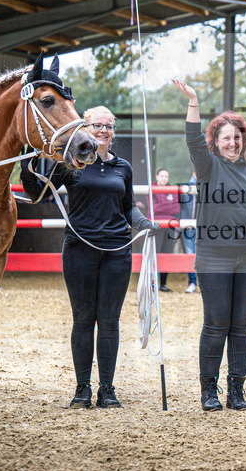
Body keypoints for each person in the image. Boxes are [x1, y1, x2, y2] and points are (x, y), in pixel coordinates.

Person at [20, 105, 159, 410]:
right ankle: (82, 388)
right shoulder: (70, 163)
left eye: (109, 126)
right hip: (79, 250)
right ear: (85, 128)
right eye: (97, 125)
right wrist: (27, 162)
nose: (103, 131)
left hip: (117, 252)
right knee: (83, 319)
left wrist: (144, 223)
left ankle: (107, 389)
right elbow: (38, 194)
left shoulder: (123, 167)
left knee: (109, 321)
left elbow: (128, 207)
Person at [172, 79, 246, 412]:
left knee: (242, 326)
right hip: (214, 258)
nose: (232, 143)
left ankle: (237, 389)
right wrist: (193, 101)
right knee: (216, 323)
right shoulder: (207, 166)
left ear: (243, 140)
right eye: (226, 138)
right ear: (216, 142)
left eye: (237, 137)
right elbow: (192, 139)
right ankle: (209, 390)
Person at [152, 168, 181, 292]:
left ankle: (163, 284)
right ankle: (153, 283)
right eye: (162, 176)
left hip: (170, 225)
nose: (164, 178)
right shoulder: (151, 188)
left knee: (167, 253)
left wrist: (162, 204)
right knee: (155, 252)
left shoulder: (172, 189)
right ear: (157, 176)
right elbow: (154, 208)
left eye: (166, 176)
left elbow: (177, 209)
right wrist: (169, 204)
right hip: (156, 225)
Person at [180, 171, 198, 293]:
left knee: (204, 255)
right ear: (194, 173)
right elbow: (179, 207)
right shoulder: (185, 187)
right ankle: (192, 283)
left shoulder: (209, 186)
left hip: (204, 228)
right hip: (188, 226)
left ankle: (203, 283)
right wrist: (180, 224)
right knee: (190, 254)